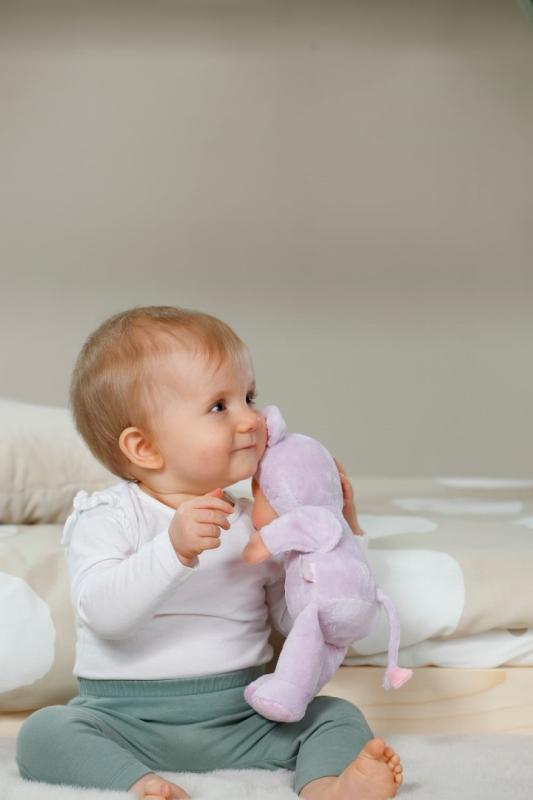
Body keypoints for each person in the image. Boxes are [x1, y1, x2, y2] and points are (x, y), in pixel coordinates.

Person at [15, 306, 404, 800]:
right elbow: (104, 615)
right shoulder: (108, 517)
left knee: (336, 715)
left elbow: (297, 623)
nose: (252, 419)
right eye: (220, 406)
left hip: (243, 714)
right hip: (123, 720)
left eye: (249, 397)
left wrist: (336, 542)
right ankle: (143, 784)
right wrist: (172, 550)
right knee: (44, 733)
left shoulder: (257, 524)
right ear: (145, 448)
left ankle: (328, 787)